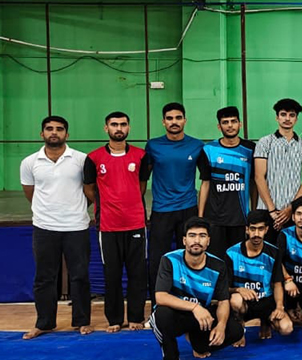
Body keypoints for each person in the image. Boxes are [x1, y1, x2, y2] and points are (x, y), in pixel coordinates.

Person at [20, 116, 92, 339]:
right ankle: (44, 323)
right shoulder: (30, 162)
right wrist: (47, 211)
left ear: (66, 134)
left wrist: (75, 208)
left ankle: (82, 322)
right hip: (44, 227)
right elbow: (30, 192)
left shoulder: (81, 159)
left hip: (76, 226)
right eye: (49, 129)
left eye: (59, 129)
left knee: (80, 276)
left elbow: (90, 192)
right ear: (42, 133)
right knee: (44, 278)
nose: (54, 132)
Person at [150, 217, 244, 360]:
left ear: (208, 241)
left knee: (236, 331)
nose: (197, 240)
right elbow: (160, 297)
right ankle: (171, 357)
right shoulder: (169, 260)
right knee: (160, 315)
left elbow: (223, 301)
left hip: (202, 319)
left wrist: (221, 325)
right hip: (177, 315)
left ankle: (197, 343)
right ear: (184, 240)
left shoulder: (218, 265)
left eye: (202, 236)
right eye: (192, 235)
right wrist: (194, 307)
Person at [84, 111, 149, 333]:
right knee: (112, 275)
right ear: (106, 128)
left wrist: (128, 202)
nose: (118, 128)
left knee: (137, 274)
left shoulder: (141, 155)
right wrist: (109, 204)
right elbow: (89, 189)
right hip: (108, 226)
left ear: (128, 128)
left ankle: (136, 317)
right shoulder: (93, 158)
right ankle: (114, 319)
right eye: (114, 124)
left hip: (136, 224)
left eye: (123, 124)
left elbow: (141, 185)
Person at [144, 102, 204, 300]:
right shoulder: (153, 146)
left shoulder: (197, 146)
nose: (174, 122)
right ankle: (157, 303)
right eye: (169, 118)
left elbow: (206, 180)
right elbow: (143, 178)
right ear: (163, 122)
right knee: (157, 259)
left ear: (185, 120)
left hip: (188, 209)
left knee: (190, 257)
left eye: (178, 118)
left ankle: (189, 299)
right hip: (161, 210)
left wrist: (201, 214)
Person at [226, 209, 293, 346]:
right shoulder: (231, 253)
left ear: (266, 229)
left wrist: (279, 307)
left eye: (260, 229)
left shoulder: (273, 252)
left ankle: (266, 321)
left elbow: (277, 284)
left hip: (266, 301)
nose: (256, 234)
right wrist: (239, 290)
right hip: (244, 303)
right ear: (247, 229)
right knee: (235, 300)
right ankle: (239, 329)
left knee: (286, 328)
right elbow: (224, 288)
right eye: (253, 229)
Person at [198, 106, 256, 258]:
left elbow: (253, 183)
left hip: (240, 218)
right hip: (215, 219)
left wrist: (253, 211)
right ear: (219, 126)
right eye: (225, 122)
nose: (230, 125)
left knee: (238, 260)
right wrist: (201, 217)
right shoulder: (208, 149)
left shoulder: (250, 149)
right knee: (216, 260)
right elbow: (205, 183)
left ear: (240, 124)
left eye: (233, 121)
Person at [254, 98, 302, 231]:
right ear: (277, 117)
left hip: (293, 213)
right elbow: (259, 176)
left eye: (292, 115)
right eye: (283, 114)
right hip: (266, 210)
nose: (287, 118)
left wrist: (291, 208)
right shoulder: (265, 142)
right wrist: (272, 210)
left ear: (296, 119)